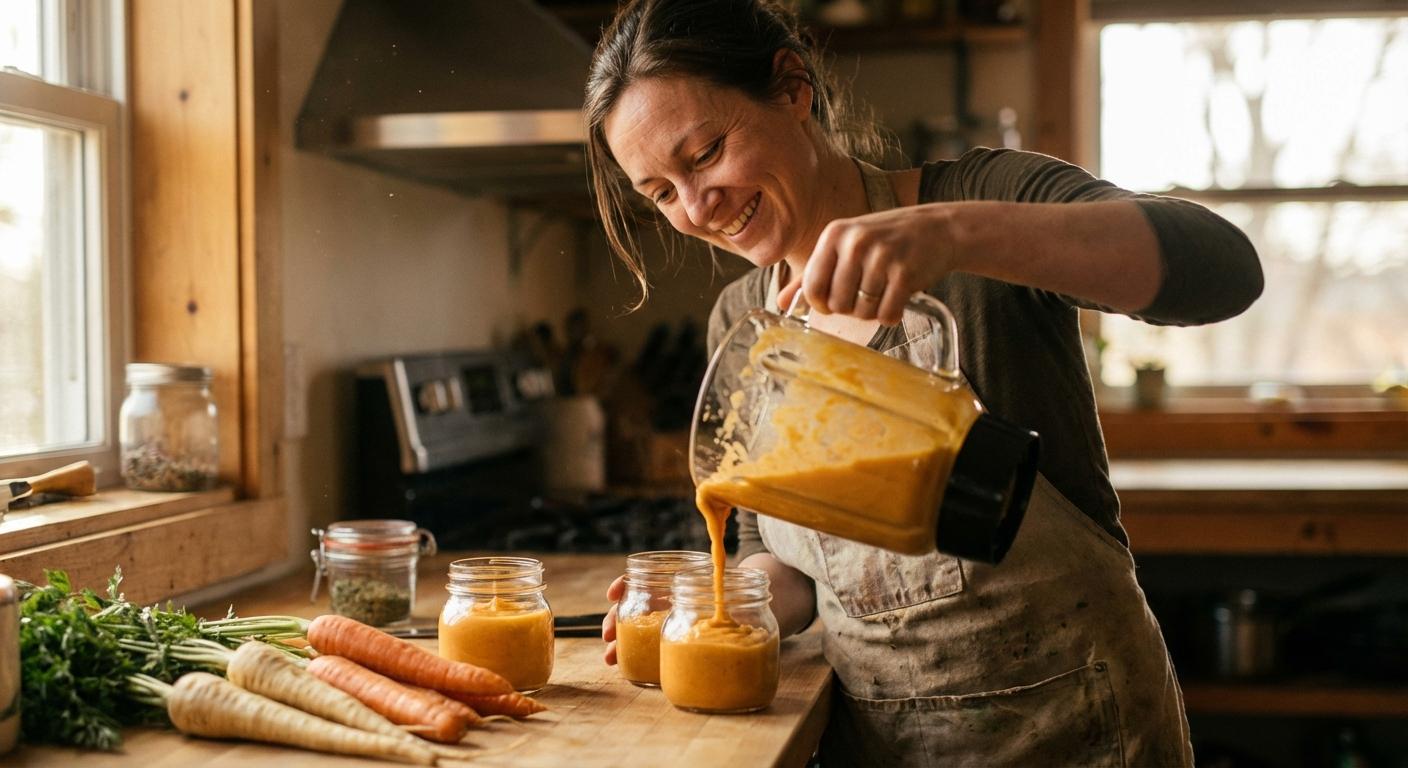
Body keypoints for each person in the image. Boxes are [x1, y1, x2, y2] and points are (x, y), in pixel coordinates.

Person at [586, 1, 1262, 765]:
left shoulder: (978, 199)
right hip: (883, 742)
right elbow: (785, 567)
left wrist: (953, 232)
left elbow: (1225, 270)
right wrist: (724, 602)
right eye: (661, 193)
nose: (698, 207)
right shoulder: (744, 322)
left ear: (791, 88)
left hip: (1077, 724)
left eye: (705, 152)